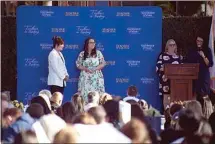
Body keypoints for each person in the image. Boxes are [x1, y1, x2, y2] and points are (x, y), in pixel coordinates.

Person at [186, 36, 214, 107]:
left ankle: (206, 111)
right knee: (194, 94)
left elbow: (209, 64)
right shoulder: (192, 50)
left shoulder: (207, 50)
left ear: (203, 42)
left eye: (201, 41)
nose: (199, 43)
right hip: (193, 75)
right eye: (197, 41)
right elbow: (187, 61)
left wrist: (203, 56)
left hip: (203, 76)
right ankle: (194, 111)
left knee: (204, 95)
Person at [156, 39, 183, 112]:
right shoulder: (162, 55)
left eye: (174, 45)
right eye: (170, 45)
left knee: (175, 97)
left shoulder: (179, 57)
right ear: (167, 47)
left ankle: (174, 113)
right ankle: (167, 115)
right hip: (165, 80)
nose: (172, 46)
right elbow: (158, 68)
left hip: (176, 81)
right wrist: (165, 68)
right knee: (166, 97)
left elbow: (182, 68)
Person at [76, 37, 106, 102]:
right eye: (91, 42)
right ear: (87, 44)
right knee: (85, 96)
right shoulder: (82, 54)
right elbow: (78, 65)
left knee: (97, 96)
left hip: (96, 78)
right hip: (85, 78)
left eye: (94, 42)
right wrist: (85, 68)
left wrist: (95, 68)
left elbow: (103, 63)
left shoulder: (98, 53)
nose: (93, 44)